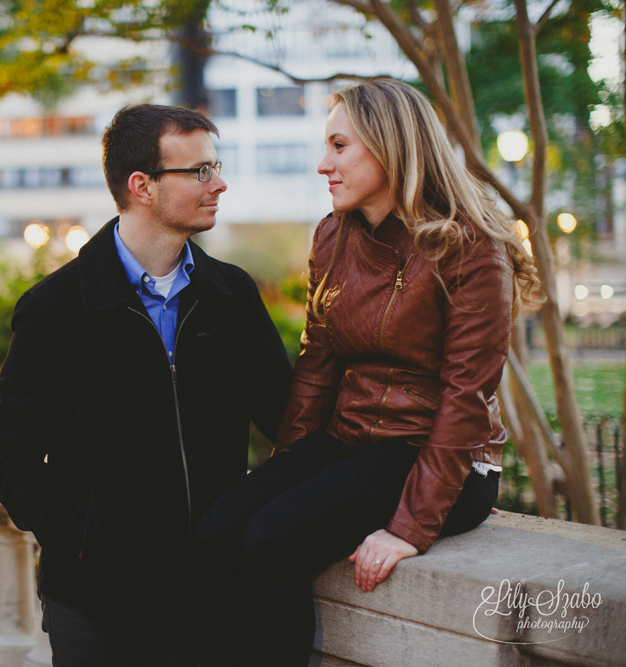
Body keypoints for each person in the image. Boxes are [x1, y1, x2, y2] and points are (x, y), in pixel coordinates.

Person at [195, 78, 541, 666]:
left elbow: (465, 397)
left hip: (440, 455)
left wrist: (409, 527)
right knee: (217, 529)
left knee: (273, 538)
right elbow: (316, 368)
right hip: (353, 441)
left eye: (339, 146)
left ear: (391, 147)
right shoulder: (334, 235)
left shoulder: (471, 246)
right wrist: (289, 472)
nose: (323, 164)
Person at [0, 103, 293, 666]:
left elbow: (291, 424)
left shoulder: (232, 296)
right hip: (97, 603)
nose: (218, 183)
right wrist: (89, 543)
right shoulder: (56, 310)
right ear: (142, 186)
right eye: (198, 171)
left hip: (210, 596)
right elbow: (11, 461)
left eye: (215, 166)